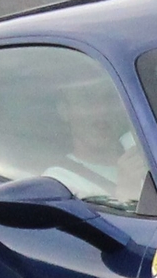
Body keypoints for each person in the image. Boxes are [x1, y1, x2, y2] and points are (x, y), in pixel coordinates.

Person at [42, 76, 149, 208]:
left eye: (110, 98)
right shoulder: (58, 183)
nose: (101, 110)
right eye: (87, 99)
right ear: (64, 110)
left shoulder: (147, 147)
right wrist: (127, 194)